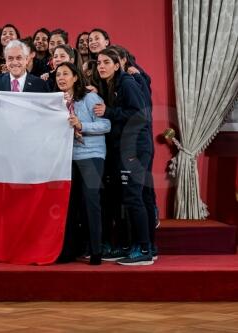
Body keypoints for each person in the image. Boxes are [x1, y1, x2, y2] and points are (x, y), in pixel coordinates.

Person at [93, 48, 153, 266]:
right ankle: (137, 246)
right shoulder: (113, 85)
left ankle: (145, 249)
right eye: (98, 62)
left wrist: (108, 111)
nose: (101, 66)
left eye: (106, 62)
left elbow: (140, 116)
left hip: (135, 148)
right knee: (128, 198)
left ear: (117, 65)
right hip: (125, 148)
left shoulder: (127, 83)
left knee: (134, 198)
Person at [56, 62, 110, 265]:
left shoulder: (89, 97)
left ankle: (96, 251)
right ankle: (67, 251)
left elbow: (106, 124)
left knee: (91, 202)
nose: (61, 78)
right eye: (58, 75)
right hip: (67, 157)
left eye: (66, 74)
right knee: (68, 205)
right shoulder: (56, 101)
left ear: (75, 77)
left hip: (91, 155)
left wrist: (81, 125)